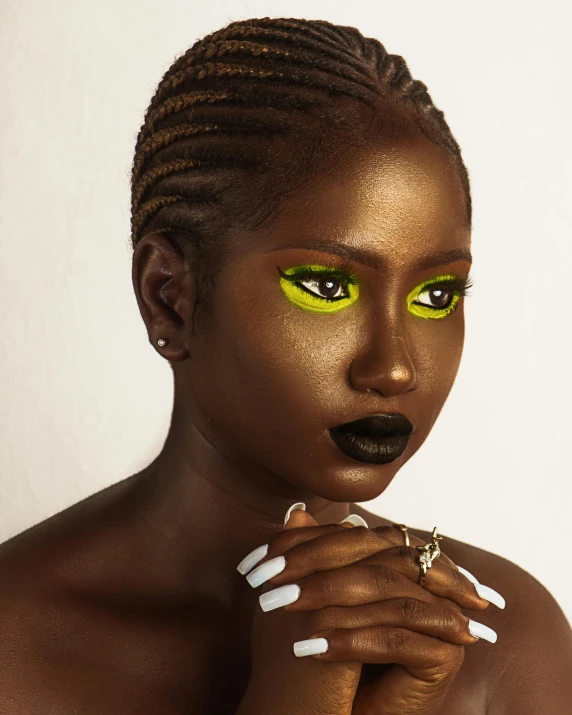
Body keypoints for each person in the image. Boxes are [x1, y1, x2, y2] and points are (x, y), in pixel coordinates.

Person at [0, 15, 570, 714]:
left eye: (436, 293)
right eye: (328, 287)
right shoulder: (15, 647)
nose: (393, 368)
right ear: (169, 296)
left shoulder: (504, 644)